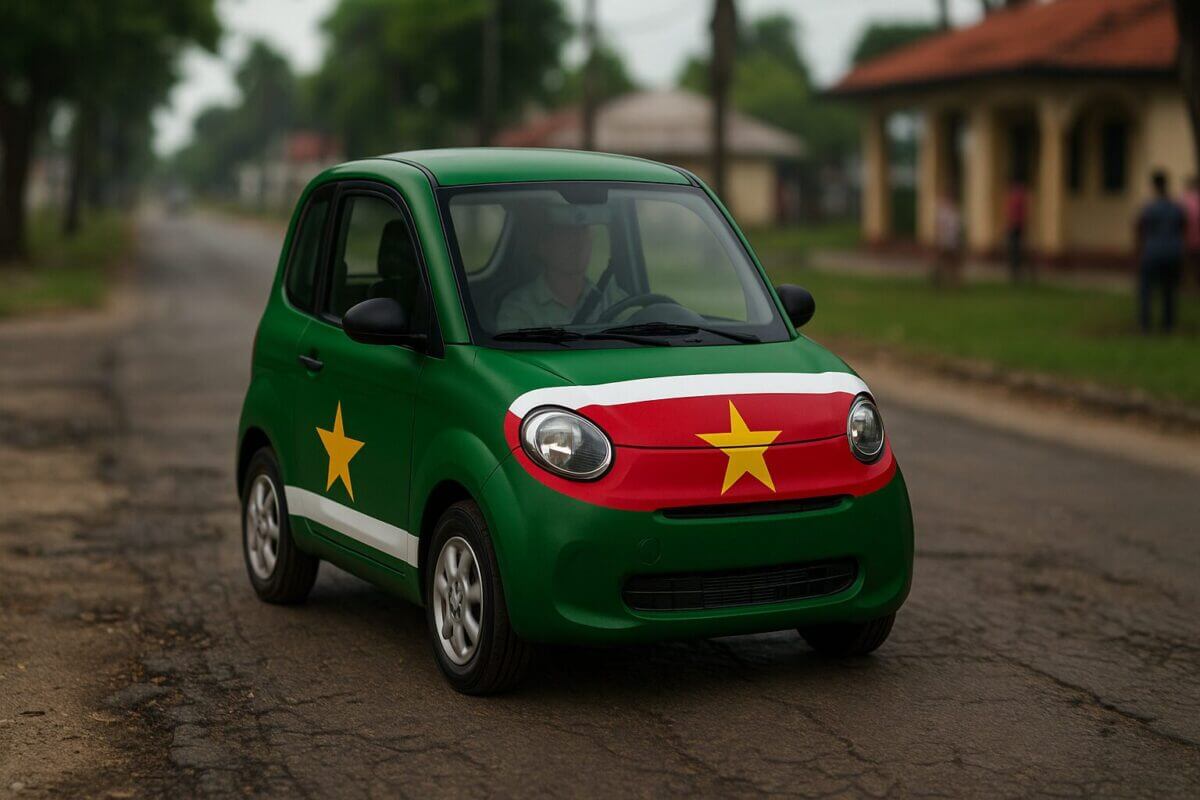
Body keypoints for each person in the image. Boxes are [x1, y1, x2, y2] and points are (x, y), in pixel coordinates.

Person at [496, 210, 624, 330]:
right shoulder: (519, 308)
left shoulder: (612, 299)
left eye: (583, 230)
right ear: (542, 246)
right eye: (567, 232)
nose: (578, 241)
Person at [1135, 170, 1186, 334]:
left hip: (1152, 252)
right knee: (1169, 290)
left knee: (1146, 290)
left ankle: (1145, 324)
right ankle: (1168, 325)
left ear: (1154, 186)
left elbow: (1140, 229)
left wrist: (1139, 250)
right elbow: (1182, 227)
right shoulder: (1176, 208)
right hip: (1173, 252)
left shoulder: (1149, 208)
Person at [932, 191, 963, 288]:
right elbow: (939, 227)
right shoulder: (944, 212)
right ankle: (939, 280)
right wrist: (939, 239)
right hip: (945, 241)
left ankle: (954, 282)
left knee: (953, 263)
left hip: (953, 241)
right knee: (943, 262)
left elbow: (958, 228)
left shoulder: (955, 212)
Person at [1004, 179, 1030, 283]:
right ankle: (1015, 272)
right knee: (1015, 250)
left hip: (1016, 227)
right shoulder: (1019, 197)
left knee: (1016, 250)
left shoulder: (1017, 198)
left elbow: (1015, 214)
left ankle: (1016, 272)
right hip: (1016, 227)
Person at [1182, 175, 1200, 289]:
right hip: (1197, 238)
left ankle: (1187, 285)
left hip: (1186, 237)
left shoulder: (1183, 200)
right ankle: (1196, 285)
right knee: (1196, 264)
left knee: (1187, 263)